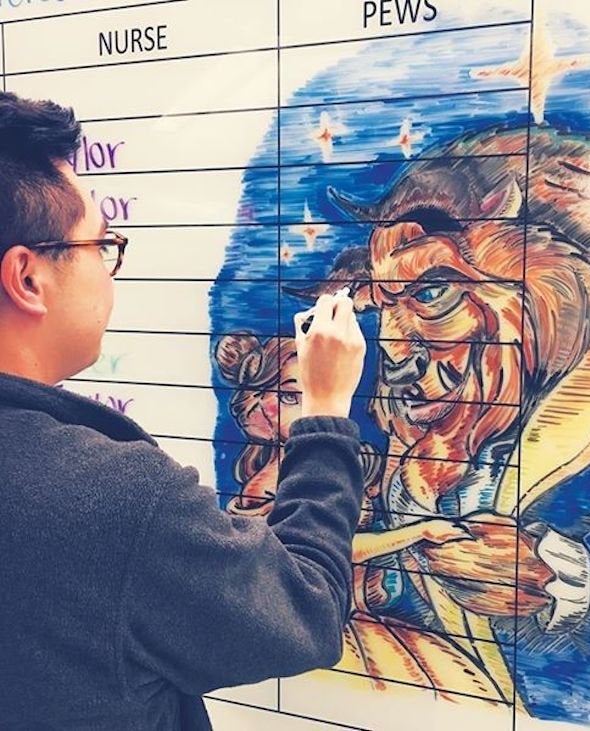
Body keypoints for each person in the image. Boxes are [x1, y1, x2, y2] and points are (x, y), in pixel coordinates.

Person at [0, 92, 367, 730]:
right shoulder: (112, 498)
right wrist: (325, 412)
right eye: (101, 244)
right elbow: (305, 609)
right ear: (28, 278)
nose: (111, 269)